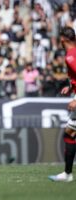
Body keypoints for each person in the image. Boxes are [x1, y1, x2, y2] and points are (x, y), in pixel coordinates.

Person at [48, 26, 76, 182]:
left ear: (63, 39)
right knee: (70, 133)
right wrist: (71, 86)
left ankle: (67, 174)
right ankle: (67, 174)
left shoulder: (71, 56)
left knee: (70, 133)